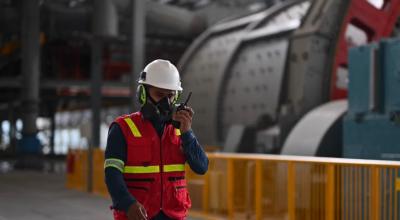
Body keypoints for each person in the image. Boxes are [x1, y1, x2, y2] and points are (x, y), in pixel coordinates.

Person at [104, 59, 209, 220]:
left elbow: (201, 167)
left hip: (173, 215)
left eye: (170, 95)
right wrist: (128, 204)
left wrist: (187, 132)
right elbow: (112, 174)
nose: (165, 103)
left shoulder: (181, 131)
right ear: (143, 94)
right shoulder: (122, 129)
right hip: (137, 215)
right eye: (159, 95)